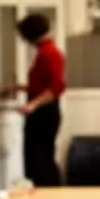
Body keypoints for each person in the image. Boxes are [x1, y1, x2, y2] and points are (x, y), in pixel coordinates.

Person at [15, 13, 64, 188]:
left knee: (40, 161)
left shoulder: (48, 54)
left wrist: (33, 104)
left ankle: (50, 198)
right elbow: (41, 85)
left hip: (44, 113)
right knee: (40, 159)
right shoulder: (46, 52)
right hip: (43, 110)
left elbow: (56, 88)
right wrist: (17, 88)